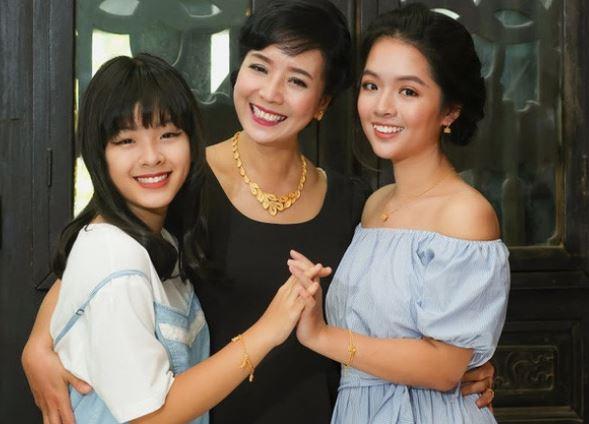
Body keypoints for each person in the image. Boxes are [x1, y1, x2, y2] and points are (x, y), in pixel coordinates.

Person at [22, 2, 495, 423]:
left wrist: (458, 366)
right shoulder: (178, 179)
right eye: (259, 67)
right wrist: (38, 346)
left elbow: (398, 313)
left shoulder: (355, 203)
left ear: (323, 103)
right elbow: (95, 264)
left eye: (297, 81)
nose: (270, 93)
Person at [35, 53, 316, 424]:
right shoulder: (113, 256)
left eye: (168, 135)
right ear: (98, 154)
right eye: (126, 141)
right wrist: (268, 330)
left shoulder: (159, 238)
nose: (152, 157)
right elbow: (147, 418)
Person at [287, 3, 509, 423]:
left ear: (450, 110)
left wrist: (320, 335)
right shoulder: (375, 204)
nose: (382, 106)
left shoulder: (464, 214)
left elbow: (443, 369)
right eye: (371, 86)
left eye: (408, 91)